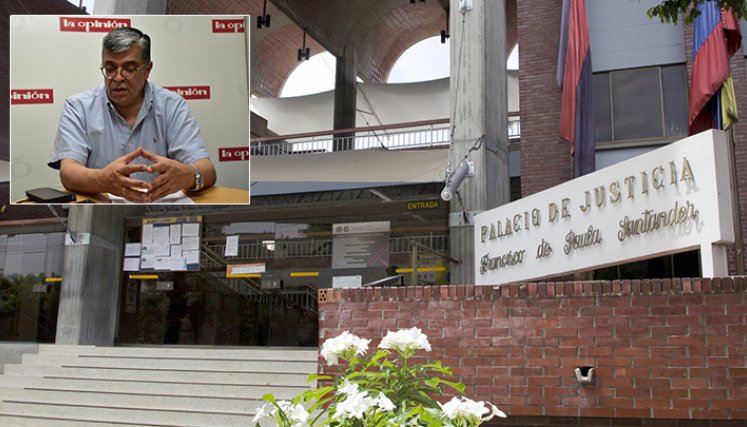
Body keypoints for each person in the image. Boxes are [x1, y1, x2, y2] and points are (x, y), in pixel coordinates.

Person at [48, 27, 216, 203]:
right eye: (110, 68)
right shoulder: (78, 107)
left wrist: (190, 176)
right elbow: (68, 173)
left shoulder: (172, 106)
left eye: (129, 68)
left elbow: (207, 171)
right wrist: (103, 180)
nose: (118, 78)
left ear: (147, 69)